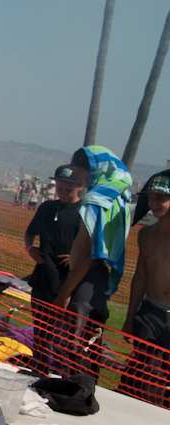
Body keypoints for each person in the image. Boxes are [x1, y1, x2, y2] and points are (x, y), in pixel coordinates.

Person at [52, 146, 133, 377]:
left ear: (94, 169)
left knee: (75, 343)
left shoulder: (96, 200)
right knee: (90, 344)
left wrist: (63, 294)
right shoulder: (117, 196)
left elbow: (86, 255)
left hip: (85, 279)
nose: (77, 178)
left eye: (79, 172)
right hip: (97, 279)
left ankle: (72, 391)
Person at [24, 164, 93, 375]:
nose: (62, 191)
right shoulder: (47, 207)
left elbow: (89, 248)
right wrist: (30, 248)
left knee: (62, 334)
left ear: (80, 187)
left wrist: (75, 257)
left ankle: (60, 375)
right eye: (60, 186)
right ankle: (39, 369)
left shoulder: (85, 212)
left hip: (67, 281)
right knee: (41, 330)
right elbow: (30, 233)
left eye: (68, 189)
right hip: (43, 275)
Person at [121, 174, 170, 404]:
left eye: (161, 198)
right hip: (151, 311)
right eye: (151, 198)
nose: (154, 204)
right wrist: (130, 317)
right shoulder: (147, 235)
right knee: (142, 370)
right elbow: (140, 278)